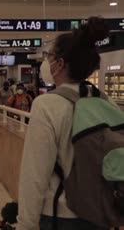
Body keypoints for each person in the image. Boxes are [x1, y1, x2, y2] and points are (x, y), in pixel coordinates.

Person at [17, 17, 113, 230]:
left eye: (48, 55)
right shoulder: (105, 101)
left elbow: (35, 176)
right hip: (101, 213)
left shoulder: (47, 105)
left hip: (60, 216)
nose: (46, 62)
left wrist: (26, 224)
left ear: (59, 64)